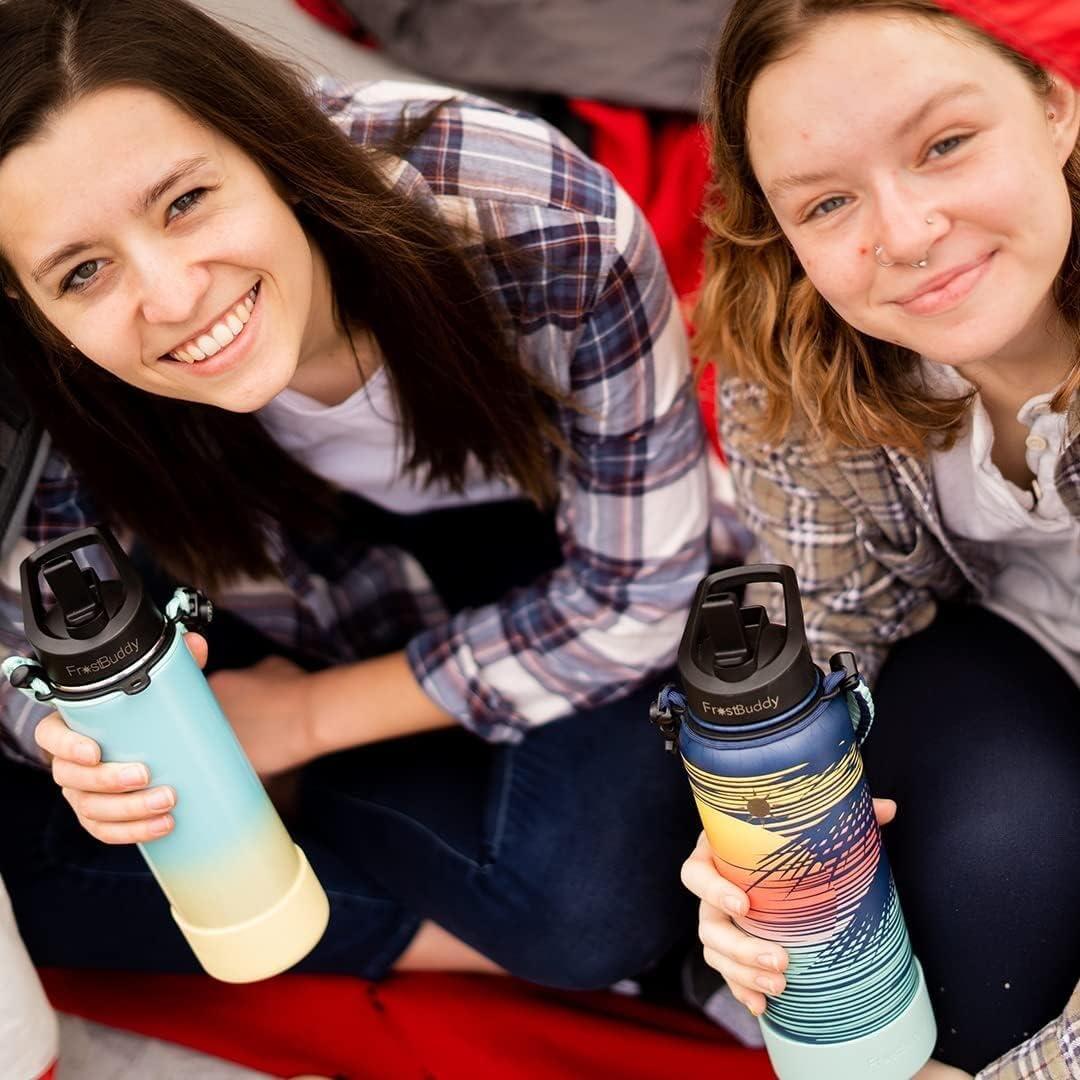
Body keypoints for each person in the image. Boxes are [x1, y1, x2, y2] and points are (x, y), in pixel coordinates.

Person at [0, 0, 709, 992]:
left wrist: (304, 723)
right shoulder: (49, 363)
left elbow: (636, 593)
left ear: (266, 141)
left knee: (590, 914)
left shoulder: (534, 220)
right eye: (83, 271)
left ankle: (311, 805)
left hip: (545, 543)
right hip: (286, 585)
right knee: (27, 866)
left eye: (184, 202)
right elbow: (16, 618)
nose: (169, 297)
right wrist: (66, 738)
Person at [682, 1, 1080, 1077]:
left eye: (945, 144)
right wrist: (764, 852)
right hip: (1020, 665)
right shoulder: (803, 357)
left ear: (1055, 107)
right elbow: (840, 632)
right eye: (827, 202)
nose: (903, 236)